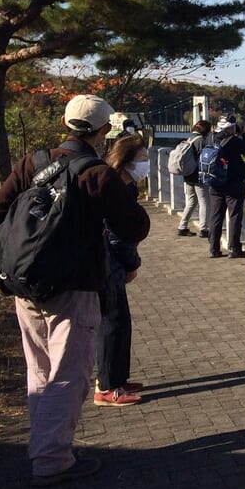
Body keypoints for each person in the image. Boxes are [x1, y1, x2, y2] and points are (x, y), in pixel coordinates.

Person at [0, 94, 150, 486]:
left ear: (66, 123)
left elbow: (0, 207)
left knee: (39, 368)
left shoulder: (33, 162)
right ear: (103, 131)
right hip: (75, 284)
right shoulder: (96, 173)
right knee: (70, 373)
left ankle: (44, 445)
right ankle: (51, 459)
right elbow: (134, 227)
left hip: (25, 281)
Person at [95, 132, 150, 407]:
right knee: (112, 324)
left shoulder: (124, 186)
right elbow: (117, 235)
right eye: (143, 158)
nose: (146, 164)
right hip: (109, 264)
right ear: (128, 160)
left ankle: (118, 378)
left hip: (115, 261)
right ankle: (108, 387)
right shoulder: (114, 186)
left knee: (121, 322)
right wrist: (131, 263)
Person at [205, 113, 245, 259]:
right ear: (232, 127)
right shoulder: (233, 140)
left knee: (215, 216)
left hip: (215, 183)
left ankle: (213, 249)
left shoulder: (210, 137)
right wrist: (244, 134)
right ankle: (234, 249)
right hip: (233, 183)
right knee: (234, 216)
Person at [175, 119, 211, 238]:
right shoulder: (201, 141)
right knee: (204, 202)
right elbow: (204, 159)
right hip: (198, 176)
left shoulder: (189, 139)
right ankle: (204, 229)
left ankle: (182, 227)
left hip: (188, 175)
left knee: (191, 202)